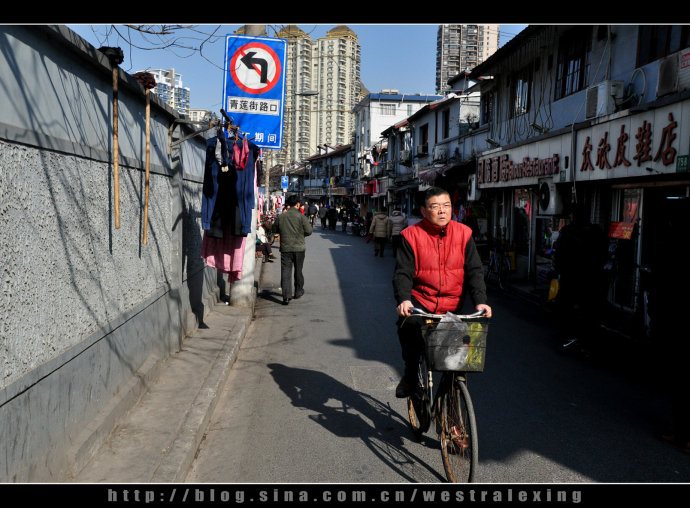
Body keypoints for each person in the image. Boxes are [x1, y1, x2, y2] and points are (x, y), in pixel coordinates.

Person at [393, 187, 492, 398]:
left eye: (446, 206)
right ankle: (410, 376)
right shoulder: (410, 236)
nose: (442, 211)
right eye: (435, 206)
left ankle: (454, 415)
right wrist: (404, 300)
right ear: (424, 211)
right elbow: (403, 273)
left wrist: (481, 302)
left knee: (458, 361)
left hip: (453, 305)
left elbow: (474, 270)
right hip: (421, 302)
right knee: (408, 329)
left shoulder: (464, 234)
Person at [552, 202, 608, 353]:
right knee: (589, 312)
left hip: (571, 279)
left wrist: (559, 270)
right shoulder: (596, 232)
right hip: (592, 280)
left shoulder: (568, 232)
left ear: (573, 216)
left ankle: (571, 340)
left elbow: (559, 256)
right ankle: (587, 343)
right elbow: (603, 255)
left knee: (566, 309)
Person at [271, 194, 313, 305]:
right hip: (299, 248)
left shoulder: (281, 217)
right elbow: (309, 231)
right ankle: (298, 291)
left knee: (286, 271)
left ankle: (286, 297)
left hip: (286, 248)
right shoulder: (301, 217)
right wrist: (300, 235)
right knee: (298, 270)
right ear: (298, 204)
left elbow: (274, 229)